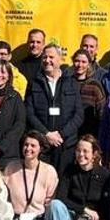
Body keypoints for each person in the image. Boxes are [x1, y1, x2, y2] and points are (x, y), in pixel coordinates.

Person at [45, 135, 110, 220]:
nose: (81, 154)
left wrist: (101, 217)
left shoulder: (105, 175)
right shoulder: (69, 170)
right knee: (55, 205)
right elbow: (61, 197)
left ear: (94, 154)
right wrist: (83, 209)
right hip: (71, 219)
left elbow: (108, 204)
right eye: (78, 150)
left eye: (85, 151)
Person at [1, 131, 59, 220]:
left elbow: (50, 202)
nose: (28, 148)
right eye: (26, 145)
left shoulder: (49, 171)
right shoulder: (11, 168)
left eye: (33, 146)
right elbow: (2, 200)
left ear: (40, 149)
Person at [25, 44, 84, 172]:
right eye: (44, 57)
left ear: (60, 59)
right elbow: (29, 113)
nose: (47, 60)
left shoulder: (71, 82)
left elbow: (79, 115)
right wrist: (46, 134)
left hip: (66, 144)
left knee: (63, 183)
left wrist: (61, 135)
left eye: (51, 57)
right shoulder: (34, 83)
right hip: (42, 145)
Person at [69, 48, 107, 138]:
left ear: (89, 64)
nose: (80, 65)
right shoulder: (66, 83)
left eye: (83, 62)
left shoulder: (95, 85)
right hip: (69, 134)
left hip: (90, 133)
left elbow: (101, 112)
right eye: (77, 61)